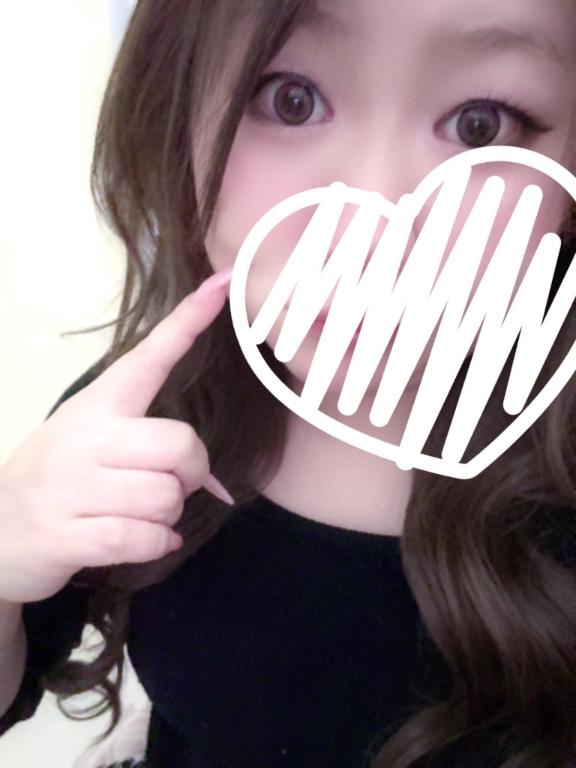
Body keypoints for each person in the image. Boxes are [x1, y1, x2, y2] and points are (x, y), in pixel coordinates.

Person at [0, 1, 575, 766]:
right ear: (175, 118)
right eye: (290, 100)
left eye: (481, 125)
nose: (375, 218)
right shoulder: (140, 411)